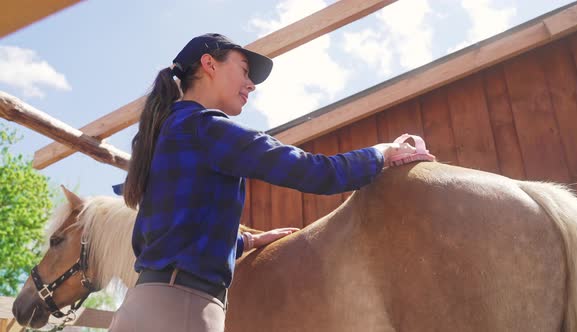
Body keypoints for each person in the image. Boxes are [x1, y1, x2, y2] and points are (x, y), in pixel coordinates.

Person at [109, 33, 434, 332]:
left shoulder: (166, 134)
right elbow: (313, 171)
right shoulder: (206, 129)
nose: (251, 84)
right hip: (184, 309)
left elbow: (177, 236)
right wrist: (381, 153)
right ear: (209, 64)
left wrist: (248, 243)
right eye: (244, 69)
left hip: (143, 305)